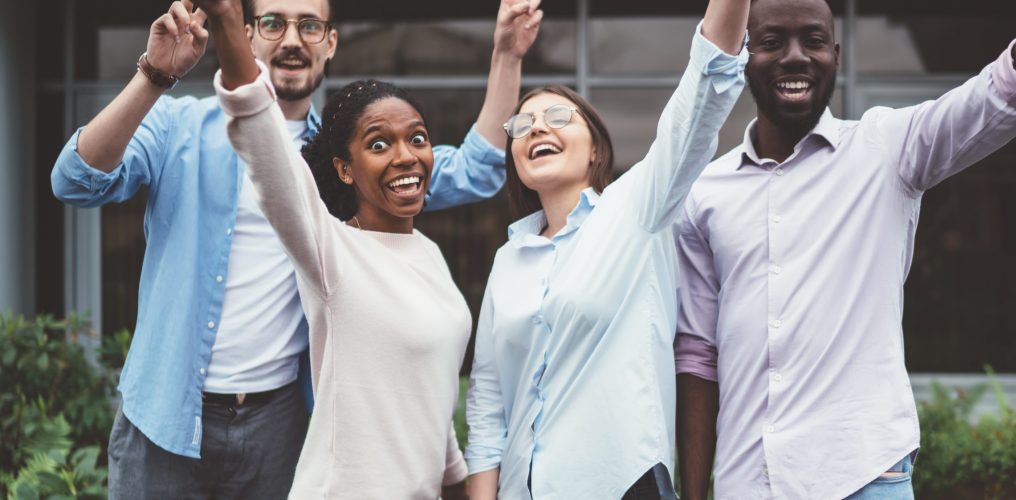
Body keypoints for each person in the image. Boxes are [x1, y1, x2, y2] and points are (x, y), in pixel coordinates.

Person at [50, 0, 532, 497]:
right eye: (274, 23)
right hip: (167, 411)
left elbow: (475, 168)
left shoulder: (351, 162)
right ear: (249, 34)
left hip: (279, 422)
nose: (293, 39)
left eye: (309, 25)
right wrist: (154, 75)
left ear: (331, 42)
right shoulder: (179, 124)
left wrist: (506, 54)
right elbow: (76, 181)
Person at [672, 0, 1016, 498]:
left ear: (835, 55)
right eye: (771, 43)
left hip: (864, 474)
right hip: (748, 482)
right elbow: (697, 355)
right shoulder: (705, 192)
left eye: (813, 41)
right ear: (746, 54)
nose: (795, 56)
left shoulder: (887, 148)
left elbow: (1007, 91)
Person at [195, 0, 541, 497]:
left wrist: (457, 480)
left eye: (417, 138)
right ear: (343, 168)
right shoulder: (330, 251)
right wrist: (229, 21)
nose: (406, 156)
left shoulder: (428, 253)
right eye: (379, 144)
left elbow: (428, 391)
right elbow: (266, 149)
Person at [462, 0, 747, 498]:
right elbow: (488, 405)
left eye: (556, 115)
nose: (538, 129)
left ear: (595, 146)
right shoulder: (508, 260)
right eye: (522, 126)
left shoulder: (637, 211)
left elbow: (703, 95)